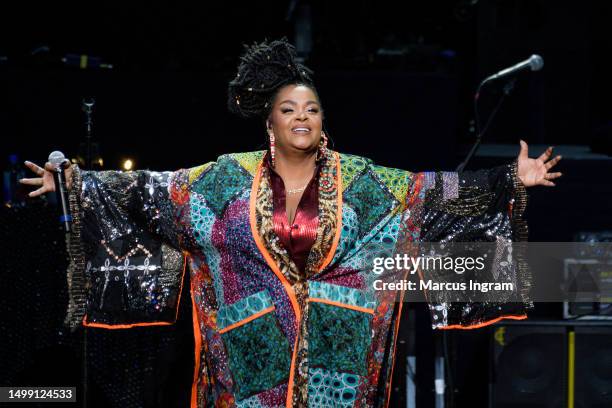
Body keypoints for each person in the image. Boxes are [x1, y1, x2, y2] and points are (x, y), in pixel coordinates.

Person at [20, 38, 562, 408]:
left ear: (323, 120)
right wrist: (73, 183)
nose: (302, 116)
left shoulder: (364, 180)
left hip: (341, 361)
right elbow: (153, 190)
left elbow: (432, 192)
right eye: (289, 109)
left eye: (312, 109)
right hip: (250, 358)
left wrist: (509, 181)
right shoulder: (225, 179)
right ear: (270, 122)